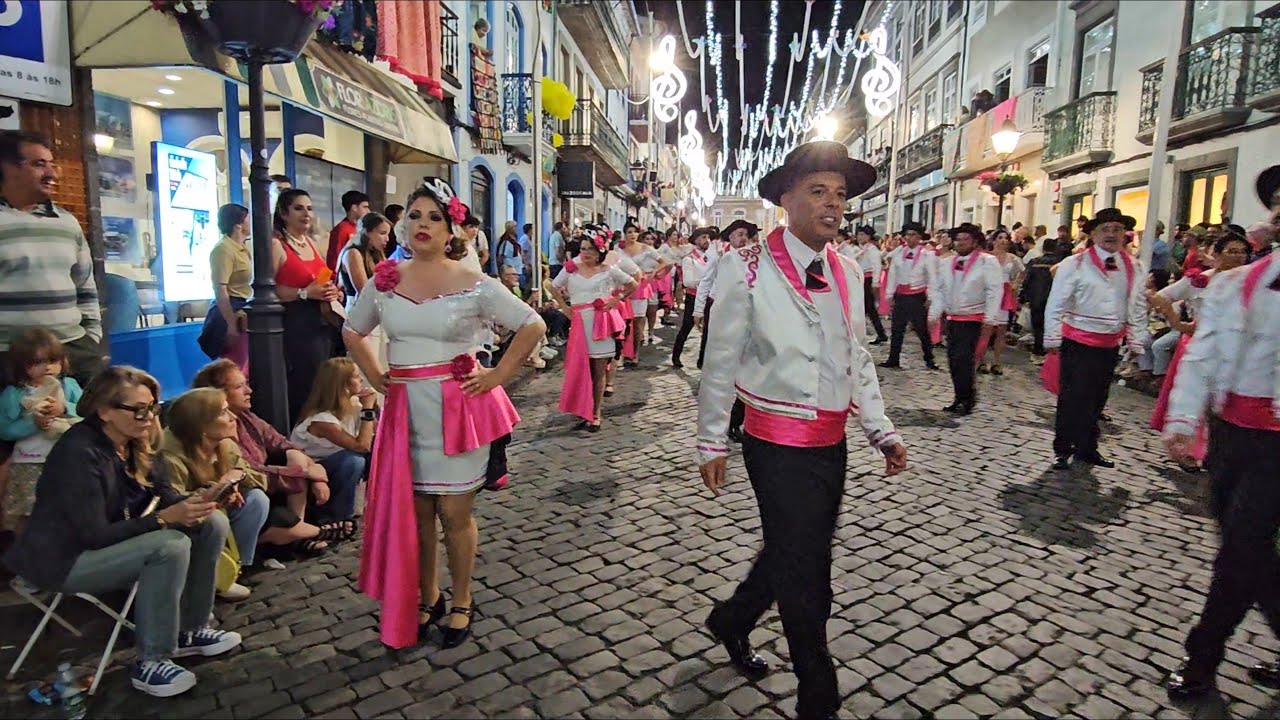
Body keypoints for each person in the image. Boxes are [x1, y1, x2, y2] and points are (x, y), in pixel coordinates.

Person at [697, 141, 907, 720]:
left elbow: (857, 356)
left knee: (794, 549)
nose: (832, 205)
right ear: (785, 200)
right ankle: (819, 694)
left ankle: (732, 619)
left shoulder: (848, 266)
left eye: (839, 194)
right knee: (808, 570)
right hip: (774, 444)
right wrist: (713, 440)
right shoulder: (744, 268)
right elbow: (719, 359)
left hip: (831, 444)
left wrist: (880, 429)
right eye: (818, 192)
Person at [343, 179, 545, 650]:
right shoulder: (384, 280)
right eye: (414, 215)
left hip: (457, 411)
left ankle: (463, 598)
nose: (422, 225)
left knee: (455, 511)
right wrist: (375, 375)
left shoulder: (473, 282)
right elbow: (353, 330)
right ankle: (426, 594)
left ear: (451, 227)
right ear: (401, 223)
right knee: (417, 513)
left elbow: (531, 324)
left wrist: (497, 375)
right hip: (405, 414)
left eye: (434, 217)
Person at [5, 366, 241, 698]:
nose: (148, 417)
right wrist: (163, 519)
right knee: (169, 545)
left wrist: (201, 501)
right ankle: (151, 661)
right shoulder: (79, 452)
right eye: (139, 409)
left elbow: (164, 496)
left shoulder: (135, 442)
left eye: (153, 408)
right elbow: (94, 535)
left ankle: (192, 629)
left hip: (106, 544)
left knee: (211, 522)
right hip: (64, 559)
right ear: (105, 411)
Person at [1163, 249, 1278, 701]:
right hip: (1231, 435)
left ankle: (1202, 656)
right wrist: (1182, 420)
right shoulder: (1236, 284)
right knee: (1250, 552)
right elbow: (1202, 354)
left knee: (1241, 549)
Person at [190, 360, 337, 556]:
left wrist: (299, 461)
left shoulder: (247, 418)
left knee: (313, 461)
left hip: (269, 488)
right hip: (242, 498)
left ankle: (298, 537)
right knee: (273, 495)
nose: (249, 390)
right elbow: (248, 472)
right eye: (239, 386)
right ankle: (313, 533)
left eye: (246, 384)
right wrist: (308, 473)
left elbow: (280, 442)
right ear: (218, 394)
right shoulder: (212, 430)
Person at [1043, 208, 1149, 470]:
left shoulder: (1134, 266)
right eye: (1105, 229)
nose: (1112, 234)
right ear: (1092, 234)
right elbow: (1056, 303)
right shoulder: (1074, 264)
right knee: (1072, 396)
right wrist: (1053, 337)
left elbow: (1136, 304)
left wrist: (1136, 339)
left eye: (1117, 229)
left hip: (1109, 343)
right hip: (1077, 340)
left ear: (1125, 234)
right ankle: (1062, 448)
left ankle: (1087, 447)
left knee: (1098, 398)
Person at [0, 131, 104, 387]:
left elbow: (85, 286)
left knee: (88, 423)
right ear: (7, 167)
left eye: (51, 164)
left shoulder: (66, 222)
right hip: (10, 358)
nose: (53, 174)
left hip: (73, 349)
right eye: (39, 164)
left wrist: (91, 336)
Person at [1147, 232, 1251, 471]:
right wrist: (1179, 323)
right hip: (1199, 345)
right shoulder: (1199, 281)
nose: (1238, 257)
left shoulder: (1251, 281)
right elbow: (1160, 296)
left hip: (1235, 350)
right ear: (1216, 254)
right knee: (1198, 400)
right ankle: (1189, 450)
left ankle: (1218, 452)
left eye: (1242, 252)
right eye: (1231, 251)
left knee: (1223, 403)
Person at [160, 387, 272, 601]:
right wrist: (215, 491)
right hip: (186, 520)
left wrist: (233, 482)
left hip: (216, 505)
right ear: (202, 426)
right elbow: (174, 503)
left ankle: (232, 572)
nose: (232, 417)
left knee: (256, 500)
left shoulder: (225, 444)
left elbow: (259, 479)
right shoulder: (169, 455)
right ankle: (200, 583)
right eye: (223, 412)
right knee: (214, 519)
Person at [0, 328, 84, 534]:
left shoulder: (69, 385)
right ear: (22, 366)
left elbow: (88, 413)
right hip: (29, 461)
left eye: (53, 361)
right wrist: (33, 423)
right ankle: (24, 556)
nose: (47, 368)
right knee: (29, 514)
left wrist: (64, 409)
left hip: (68, 458)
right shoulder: (15, 394)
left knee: (69, 507)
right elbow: (4, 430)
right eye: (37, 363)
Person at [270, 189, 342, 423]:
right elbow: (266, 291)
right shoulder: (276, 245)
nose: (306, 213)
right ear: (284, 213)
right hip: (295, 323)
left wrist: (332, 291)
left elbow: (322, 277)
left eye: (309, 208)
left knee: (324, 380)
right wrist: (304, 293)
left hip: (320, 321)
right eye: (299, 208)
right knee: (305, 382)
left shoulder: (310, 243)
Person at [552, 230, 636, 430]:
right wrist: (564, 307)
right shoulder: (571, 268)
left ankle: (595, 413)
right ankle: (582, 408)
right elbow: (553, 285)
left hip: (600, 324)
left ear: (600, 251)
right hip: (580, 323)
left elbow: (633, 283)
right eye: (582, 249)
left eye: (590, 249)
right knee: (581, 368)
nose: (586, 253)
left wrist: (616, 300)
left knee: (598, 370)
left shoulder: (609, 269)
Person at [929, 224, 1001, 415]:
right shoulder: (946, 263)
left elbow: (994, 290)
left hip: (973, 318)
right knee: (953, 360)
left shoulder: (988, 262)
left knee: (964, 359)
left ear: (975, 241)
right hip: (953, 317)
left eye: (965, 239)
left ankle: (967, 398)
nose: (960, 243)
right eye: (958, 239)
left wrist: (991, 317)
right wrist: (935, 313)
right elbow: (940, 290)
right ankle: (959, 397)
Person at [290, 357, 371, 525]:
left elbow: (373, 439)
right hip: (312, 473)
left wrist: (372, 409)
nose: (361, 379)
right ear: (343, 384)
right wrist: (368, 410)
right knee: (354, 461)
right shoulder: (322, 420)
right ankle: (337, 518)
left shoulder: (353, 406)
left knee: (378, 451)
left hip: (333, 467)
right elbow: (362, 446)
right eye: (356, 376)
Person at [198, 204, 252, 371]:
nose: (251, 223)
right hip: (234, 310)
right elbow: (221, 289)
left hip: (246, 311)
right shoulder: (223, 249)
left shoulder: (244, 249)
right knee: (236, 366)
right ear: (238, 224)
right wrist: (231, 324)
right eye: (248, 219)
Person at [880, 221, 940, 370]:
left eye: (914, 235)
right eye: (907, 235)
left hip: (916, 294)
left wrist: (931, 297)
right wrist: (889, 292)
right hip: (901, 294)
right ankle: (893, 358)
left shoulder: (927, 255)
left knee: (922, 330)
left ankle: (929, 359)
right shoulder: (899, 252)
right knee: (897, 329)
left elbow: (932, 277)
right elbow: (892, 272)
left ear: (919, 237)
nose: (910, 238)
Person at [977, 229, 1024, 375]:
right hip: (989, 293)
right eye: (1000, 237)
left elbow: (1022, 271)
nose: (1003, 240)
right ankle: (981, 360)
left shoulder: (1012, 258)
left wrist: (1015, 284)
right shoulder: (986, 257)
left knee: (1001, 331)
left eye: (1006, 238)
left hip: (1004, 293)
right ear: (993, 240)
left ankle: (997, 362)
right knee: (986, 329)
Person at [1022, 236, 1069, 362]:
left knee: (1037, 327)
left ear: (1043, 249)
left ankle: (1038, 351)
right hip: (1054, 299)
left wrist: (1024, 296)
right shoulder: (1062, 263)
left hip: (1036, 298)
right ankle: (1050, 354)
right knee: (1052, 325)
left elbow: (1027, 281)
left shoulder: (1035, 262)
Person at [670, 227, 712, 369]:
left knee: (708, 329)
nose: (707, 240)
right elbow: (688, 282)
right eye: (703, 237)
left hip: (709, 297)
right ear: (696, 240)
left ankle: (702, 359)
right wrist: (705, 283)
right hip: (693, 297)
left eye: (708, 237)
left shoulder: (712, 257)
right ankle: (676, 354)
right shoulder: (689, 259)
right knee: (687, 326)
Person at [326, 190, 371, 270]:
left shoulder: (361, 228)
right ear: (354, 208)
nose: (368, 211)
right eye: (365, 207)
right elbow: (335, 259)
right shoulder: (342, 229)